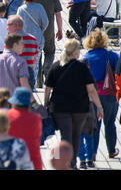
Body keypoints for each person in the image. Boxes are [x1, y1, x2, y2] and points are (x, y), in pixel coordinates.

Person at [44, 39, 104, 169]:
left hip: (59, 108)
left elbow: (47, 88)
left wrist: (46, 105)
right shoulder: (82, 67)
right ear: (75, 51)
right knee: (76, 135)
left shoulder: (56, 66)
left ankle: (63, 163)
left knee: (65, 135)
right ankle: (72, 164)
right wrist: (99, 107)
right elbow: (91, 90)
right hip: (79, 108)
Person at [83, 29, 120, 160]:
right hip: (110, 93)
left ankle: (92, 153)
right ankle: (111, 150)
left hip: (92, 95)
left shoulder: (86, 57)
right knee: (110, 123)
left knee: (94, 126)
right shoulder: (113, 56)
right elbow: (119, 74)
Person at [0, 33, 34, 106]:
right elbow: (24, 84)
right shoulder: (21, 62)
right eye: (21, 44)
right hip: (14, 104)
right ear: (15, 45)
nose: (23, 46)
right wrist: (34, 103)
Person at [17, 0, 49, 85]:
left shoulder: (21, 9)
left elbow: (17, 24)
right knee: (35, 63)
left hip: (23, 40)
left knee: (22, 62)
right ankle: (33, 84)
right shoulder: (39, 7)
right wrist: (40, 30)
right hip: (37, 38)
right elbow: (46, 22)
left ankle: (24, 83)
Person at [35, 0, 63, 87]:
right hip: (49, 30)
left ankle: (39, 82)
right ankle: (47, 68)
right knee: (50, 52)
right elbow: (59, 16)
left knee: (37, 55)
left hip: (36, 31)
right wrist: (60, 30)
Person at [6, 87, 43, 170]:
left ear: (14, 103)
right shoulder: (36, 118)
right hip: (33, 160)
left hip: (12, 161)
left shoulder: (7, 116)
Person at [6, 15, 39, 91]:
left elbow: (7, 57)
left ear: (15, 26)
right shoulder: (33, 38)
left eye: (8, 25)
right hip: (29, 72)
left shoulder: (10, 39)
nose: (6, 28)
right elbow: (34, 58)